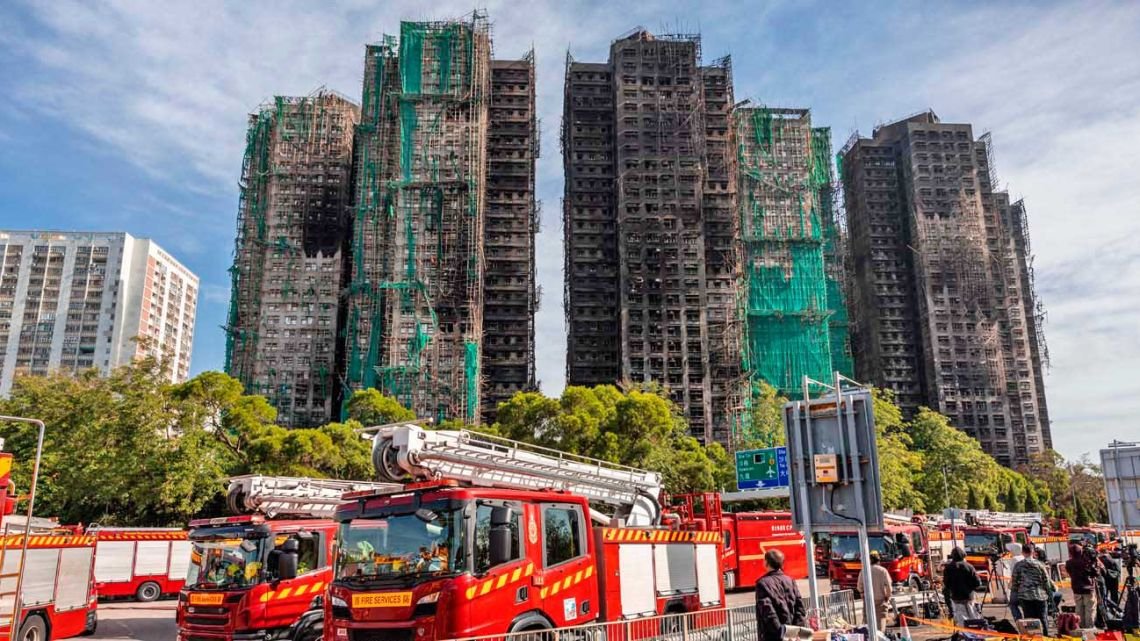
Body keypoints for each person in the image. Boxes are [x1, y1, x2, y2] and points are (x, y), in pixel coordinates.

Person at [755, 549, 807, 641]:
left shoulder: (762, 583)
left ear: (766, 563)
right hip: (792, 635)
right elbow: (800, 608)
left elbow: (768, 613)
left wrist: (781, 633)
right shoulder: (790, 580)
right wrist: (796, 631)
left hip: (772, 636)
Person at [1012, 543, 1055, 636]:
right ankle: (1045, 636)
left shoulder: (1018, 565)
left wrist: (1015, 593)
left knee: (1029, 619)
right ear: (1033, 552)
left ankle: (1032, 636)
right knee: (1043, 618)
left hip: (1025, 596)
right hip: (1040, 595)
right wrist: (1049, 593)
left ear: (1023, 552)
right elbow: (1046, 581)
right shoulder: (1040, 564)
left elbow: (1015, 582)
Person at [943, 547, 983, 625]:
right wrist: (972, 588)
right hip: (969, 595)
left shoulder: (948, 568)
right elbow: (978, 582)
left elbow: (946, 583)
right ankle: (975, 631)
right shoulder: (969, 566)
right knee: (973, 615)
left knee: (960, 617)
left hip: (956, 596)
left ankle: (963, 632)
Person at [856, 551, 894, 630]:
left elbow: (859, 586)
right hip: (881, 601)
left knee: (868, 625)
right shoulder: (883, 571)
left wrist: (863, 595)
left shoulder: (863, 571)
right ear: (878, 560)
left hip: (868, 601)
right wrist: (887, 597)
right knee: (880, 625)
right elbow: (889, 587)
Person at [1066, 542, 1100, 628]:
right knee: (1090, 609)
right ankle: (1090, 627)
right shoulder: (1086, 561)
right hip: (1088, 588)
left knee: (1079, 609)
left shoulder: (1069, 563)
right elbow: (1095, 573)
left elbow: (1070, 573)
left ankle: (1080, 626)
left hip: (1076, 588)